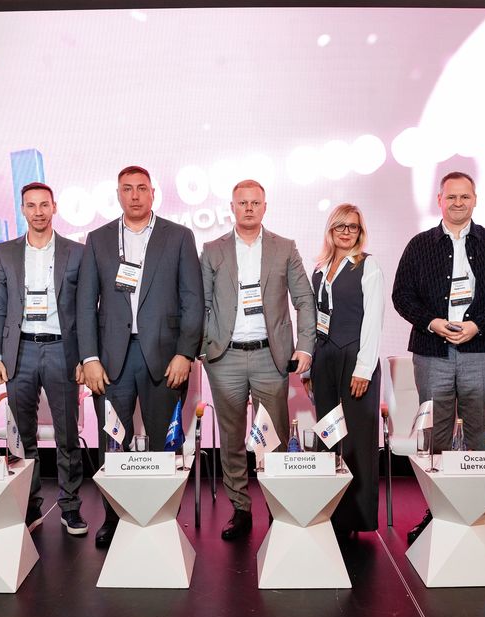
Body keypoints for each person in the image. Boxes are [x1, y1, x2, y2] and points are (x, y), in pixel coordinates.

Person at [77, 165, 204, 548]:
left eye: (141, 188)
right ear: (118, 194)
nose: (134, 195)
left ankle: (161, 515)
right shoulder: (98, 239)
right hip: (110, 360)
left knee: (164, 441)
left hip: (165, 358)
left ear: (153, 193)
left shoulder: (178, 236)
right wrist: (89, 358)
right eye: (127, 189)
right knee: (112, 440)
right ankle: (115, 517)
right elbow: (85, 304)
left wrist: (185, 353)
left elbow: (193, 300)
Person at [392, 171, 485, 544]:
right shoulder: (420, 245)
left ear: (475, 199)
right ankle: (438, 512)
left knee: (478, 431)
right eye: (451, 197)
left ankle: (476, 515)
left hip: (481, 349)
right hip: (433, 351)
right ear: (440, 200)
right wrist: (433, 323)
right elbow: (402, 296)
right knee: (436, 433)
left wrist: (478, 325)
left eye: (465, 196)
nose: (458, 203)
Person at [200, 179, 316, 541]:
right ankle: (240, 508)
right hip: (225, 358)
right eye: (242, 203)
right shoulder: (212, 250)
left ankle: (277, 508)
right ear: (232, 208)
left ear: (265, 207)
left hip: (271, 356)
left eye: (255, 202)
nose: (249, 208)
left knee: (273, 438)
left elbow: (304, 299)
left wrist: (305, 347)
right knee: (232, 438)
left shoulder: (285, 247)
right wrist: (204, 349)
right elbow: (201, 303)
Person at [0, 182, 87, 536]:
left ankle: (70, 507)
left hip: (63, 350)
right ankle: (30, 506)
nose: (39, 212)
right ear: (23, 210)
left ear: (54, 207)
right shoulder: (6, 252)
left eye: (45, 205)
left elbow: (86, 309)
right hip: (20, 350)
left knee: (67, 434)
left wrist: (85, 356)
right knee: (21, 436)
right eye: (31, 205)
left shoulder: (77, 252)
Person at [303, 204, 384, 537]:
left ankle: (356, 519)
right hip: (324, 359)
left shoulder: (368, 265)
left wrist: (364, 368)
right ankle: (330, 513)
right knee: (328, 435)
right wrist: (308, 369)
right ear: (331, 230)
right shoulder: (320, 269)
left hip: (355, 360)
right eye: (341, 226)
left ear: (360, 231)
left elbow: (374, 319)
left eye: (353, 227)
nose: (347, 232)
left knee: (356, 440)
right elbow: (314, 320)